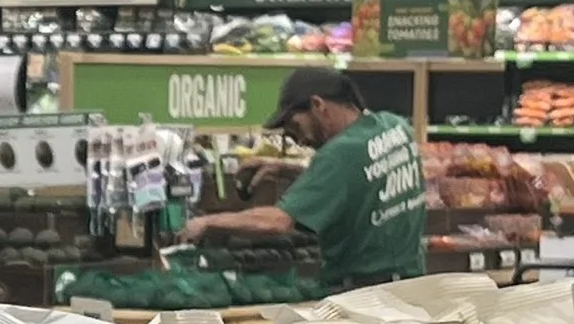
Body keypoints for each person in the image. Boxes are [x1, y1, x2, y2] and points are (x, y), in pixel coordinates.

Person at [182, 63, 427, 289]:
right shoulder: (395, 127)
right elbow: (358, 179)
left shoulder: (338, 154)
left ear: (318, 105)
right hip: (410, 284)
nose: (299, 140)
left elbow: (278, 222)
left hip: (364, 293)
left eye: (296, 126)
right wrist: (286, 168)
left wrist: (206, 223)